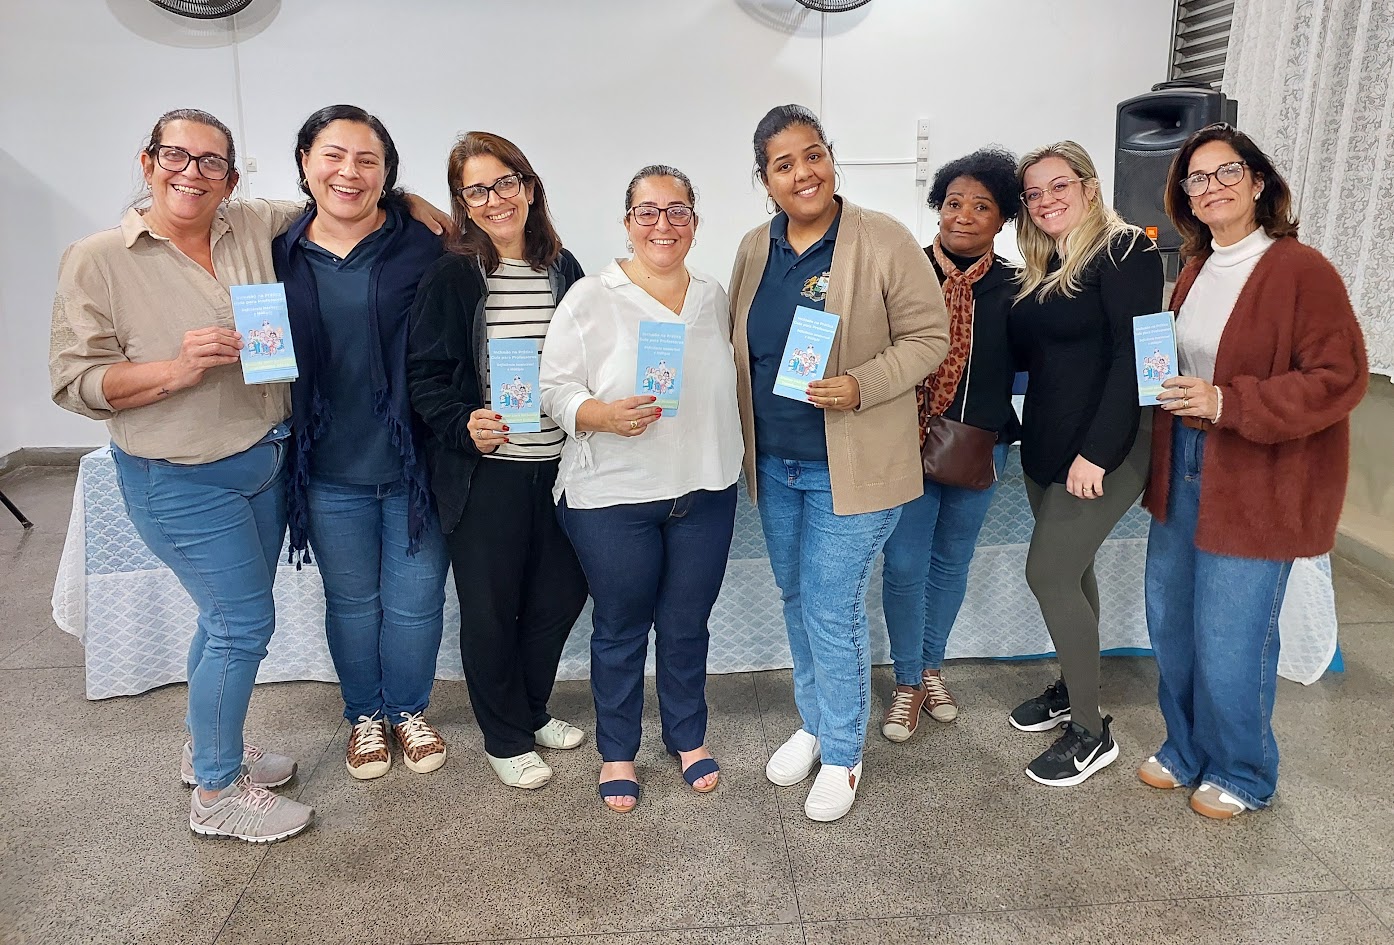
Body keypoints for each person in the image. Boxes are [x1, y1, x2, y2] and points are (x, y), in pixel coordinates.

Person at [49, 108, 315, 842]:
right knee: (242, 624)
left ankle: (209, 752)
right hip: (179, 479)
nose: (191, 173)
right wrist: (175, 368)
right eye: (176, 156)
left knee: (223, 618)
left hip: (264, 460)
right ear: (148, 163)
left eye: (211, 162)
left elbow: (334, 193)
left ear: (230, 176)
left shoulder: (252, 224)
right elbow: (74, 381)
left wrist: (412, 202)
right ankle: (217, 793)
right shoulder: (98, 258)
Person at [1140, 123, 1368, 818]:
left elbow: (1339, 378)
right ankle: (1186, 748)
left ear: (1259, 181)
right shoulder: (1195, 267)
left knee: (1231, 636)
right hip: (1182, 462)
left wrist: (1226, 402)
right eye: (1196, 178)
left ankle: (1243, 771)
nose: (1211, 187)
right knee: (1172, 622)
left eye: (1227, 172)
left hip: (1257, 473)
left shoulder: (1301, 269)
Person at [729, 105, 949, 822]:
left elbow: (930, 337)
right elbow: (739, 344)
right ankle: (816, 722)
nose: (804, 173)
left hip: (851, 465)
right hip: (777, 464)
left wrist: (862, 384)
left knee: (831, 605)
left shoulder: (882, 238)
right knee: (797, 599)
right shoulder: (754, 248)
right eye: (784, 164)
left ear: (830, 158)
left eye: (814, 154)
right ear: (765, 179)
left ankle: (844, 752)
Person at [541, 164, 742, 813]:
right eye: (647, 211)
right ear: (627, 223)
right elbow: (553, 387)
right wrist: (599, 414)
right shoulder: (590, 297)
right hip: (613, 495)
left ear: (694, 221)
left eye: (677, 210)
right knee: (622, 625)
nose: (663, 223)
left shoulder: (712, 295)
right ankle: (618, 750)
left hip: (705, 488)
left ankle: (686, 735)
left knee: (686, 624)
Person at [273, 105, 451, 781]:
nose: (349, 171)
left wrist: (419, 203)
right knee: (351, 604)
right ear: (305, 163)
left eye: (367, 160)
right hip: (326, 468)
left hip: (415, 466)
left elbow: (492, 246)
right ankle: (365, 715)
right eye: (333, 155)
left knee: (416, 602)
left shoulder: (422, 243)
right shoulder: (280, 251)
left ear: (388, 173)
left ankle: (408, 709)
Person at [408, 132, 589, 791]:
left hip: (562, 468)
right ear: (463, 203)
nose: (494, 199)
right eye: (476, 190)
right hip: (488, 474)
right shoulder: (454, 274)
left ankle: (532, 709)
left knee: (560, 595)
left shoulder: (562, 267)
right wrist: (464, 422)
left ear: (529, 187)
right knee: (491, 609)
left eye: (505, 183)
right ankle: (505, 735)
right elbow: (424, 376)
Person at [1006, 141, 1163, 787]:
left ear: (1090, 187)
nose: (1045, 200)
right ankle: (1076, 689)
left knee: (1047, 572)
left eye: (1059, 186)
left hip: (1108, 445)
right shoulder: (1046, 263)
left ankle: (1092, 734)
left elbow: (1136, 358)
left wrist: (1097, 453)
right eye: (1033, 193)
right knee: (1073, 571)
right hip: (1048, 443)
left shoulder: (1126, 250)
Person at [879, 148, 1022, 742]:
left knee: (950, 563)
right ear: (938, 207)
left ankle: (931, 666)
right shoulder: (903, 270)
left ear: (1003, 218)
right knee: (904, 564)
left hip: (979, 447)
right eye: (954, 202)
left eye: (982, 206)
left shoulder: (1018, 287)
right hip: (904, 442)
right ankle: (907, 680)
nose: (965, 215)